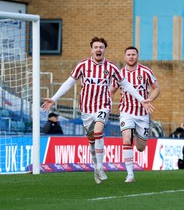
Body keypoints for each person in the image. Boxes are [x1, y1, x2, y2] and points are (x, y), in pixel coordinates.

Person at [41, 37, 153, 184]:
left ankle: (100, 166)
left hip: (103, 105)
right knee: (92, 140)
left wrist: (141, 99)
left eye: (101, 47)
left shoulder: (111, 67)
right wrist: (54, 98)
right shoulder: (82, 65)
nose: (98, 49)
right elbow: (69, 83)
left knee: (98, 131)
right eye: (96, 47)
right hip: (87, 108)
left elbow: (126, 84)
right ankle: (96, 165)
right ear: (91, 50)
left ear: (104, 50)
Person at [110, 46, 160, 183]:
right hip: (126, 111)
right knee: (126, 139)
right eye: (128, 54)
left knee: (140, 147)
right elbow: (112, 91)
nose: (131, 57)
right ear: (124, 57)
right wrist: (106, 104)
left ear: (137, 56)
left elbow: (156, 88)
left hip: (143, 114)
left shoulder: (146, 71)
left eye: (133, 54)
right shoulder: (119, 74)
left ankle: (139, 134)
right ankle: (130, 174)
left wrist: (150, 99)